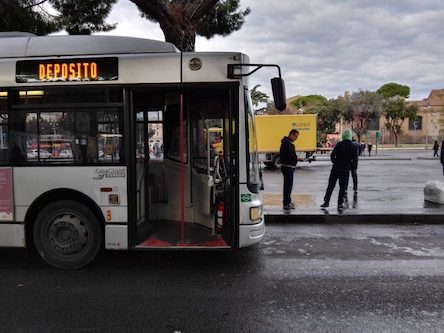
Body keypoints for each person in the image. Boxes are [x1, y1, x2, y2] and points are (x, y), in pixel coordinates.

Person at [320, 129, 359, 211]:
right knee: (342, 187)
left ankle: (326, 201)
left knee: (331, 185)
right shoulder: (354, 147)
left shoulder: (339, 144)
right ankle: (340, 204)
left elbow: (332, 155)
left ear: (344, 136)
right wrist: (350, 166)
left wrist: (335, 162)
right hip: (345, 170)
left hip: (336, 168)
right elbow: (354, 159)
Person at [280, 129, 304, 210]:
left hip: (288, 167)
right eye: (296, 136)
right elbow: (289, 155)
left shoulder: (288, 143)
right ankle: (286, 203)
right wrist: (297, 158)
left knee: (288, 186)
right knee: (288, 186)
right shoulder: (287, 143)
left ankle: (288, 201)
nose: (296, 138)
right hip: (287, 167)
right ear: (291, 135)